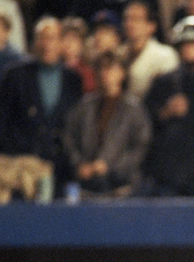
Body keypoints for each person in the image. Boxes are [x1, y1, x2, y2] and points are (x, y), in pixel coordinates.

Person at [0, 17, 83, 188]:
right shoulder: (15, 75)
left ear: (62, 43)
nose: (47, 43)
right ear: (34, 42)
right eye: (42, 37)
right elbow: (1, 123)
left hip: (61, 168)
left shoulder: (74, 80)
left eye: (52, 38)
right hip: (21, 168)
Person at [143, 16, 194, 196]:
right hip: (169, 170)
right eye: (185, 44)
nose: (188, 49)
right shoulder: (166, 81)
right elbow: (146, 118)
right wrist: (166, 112)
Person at [63, 50, 151, 197]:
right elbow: (69, 137)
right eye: (102, 68)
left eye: (111, 68)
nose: (106, 73)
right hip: (87, 185)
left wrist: (108, 166)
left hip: (122, 185)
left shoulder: (134, 108)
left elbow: (140, 147)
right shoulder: (85, 106)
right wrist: (79, 164)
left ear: (122, 73)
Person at [121, 0, 179, 99]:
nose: (129, 24)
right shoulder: (119, 53)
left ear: (151, 26)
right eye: (127, 19)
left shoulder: (165, 55)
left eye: (136, 19)